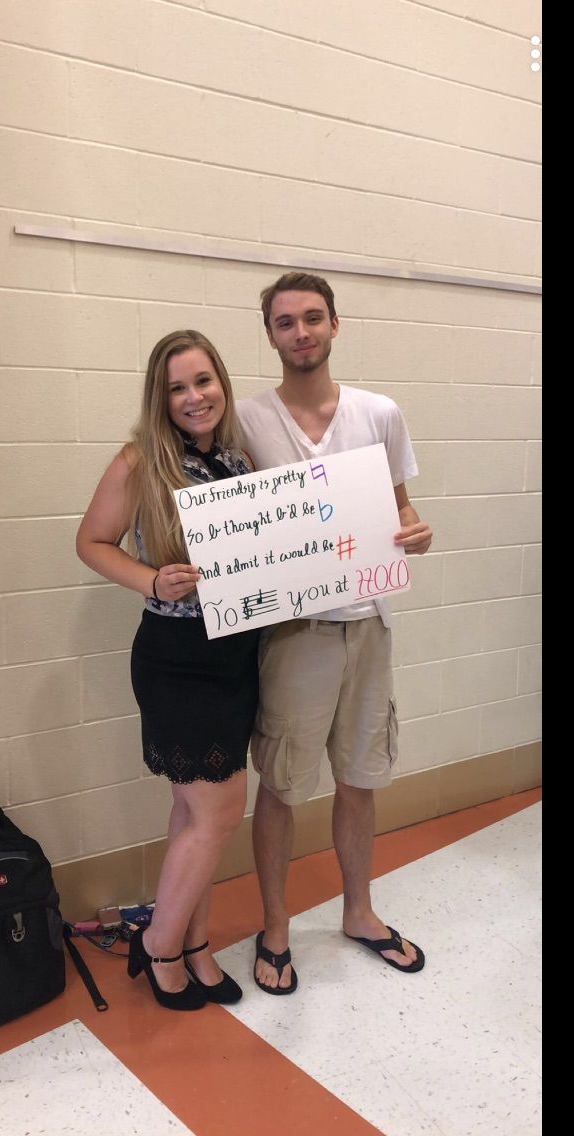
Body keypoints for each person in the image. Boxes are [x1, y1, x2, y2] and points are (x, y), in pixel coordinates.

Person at [236, 273, 433, 994]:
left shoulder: (379, 413)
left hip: (369, 626)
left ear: (335, 325)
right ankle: (277, 925)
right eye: (285, 322)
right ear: (271, 335)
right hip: (294, 634)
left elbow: (402, 510)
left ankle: (359, 910)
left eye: (312, 318)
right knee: (283, 784)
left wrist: (417, 534)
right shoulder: (248, 420)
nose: (301, 333)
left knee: (360, 777)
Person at [76, 330, 260, 1011]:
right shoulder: (139, 463)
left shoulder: (241, 461)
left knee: (193, 813)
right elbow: (91, 542)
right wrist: (152, 579)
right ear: (161, 397)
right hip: (178, 659)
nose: (193, 397)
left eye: (203, 381)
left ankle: (195, 943)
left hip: (236, 654)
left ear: (222, 383)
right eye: (177, 387)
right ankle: (157, 947)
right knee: (217, 812)